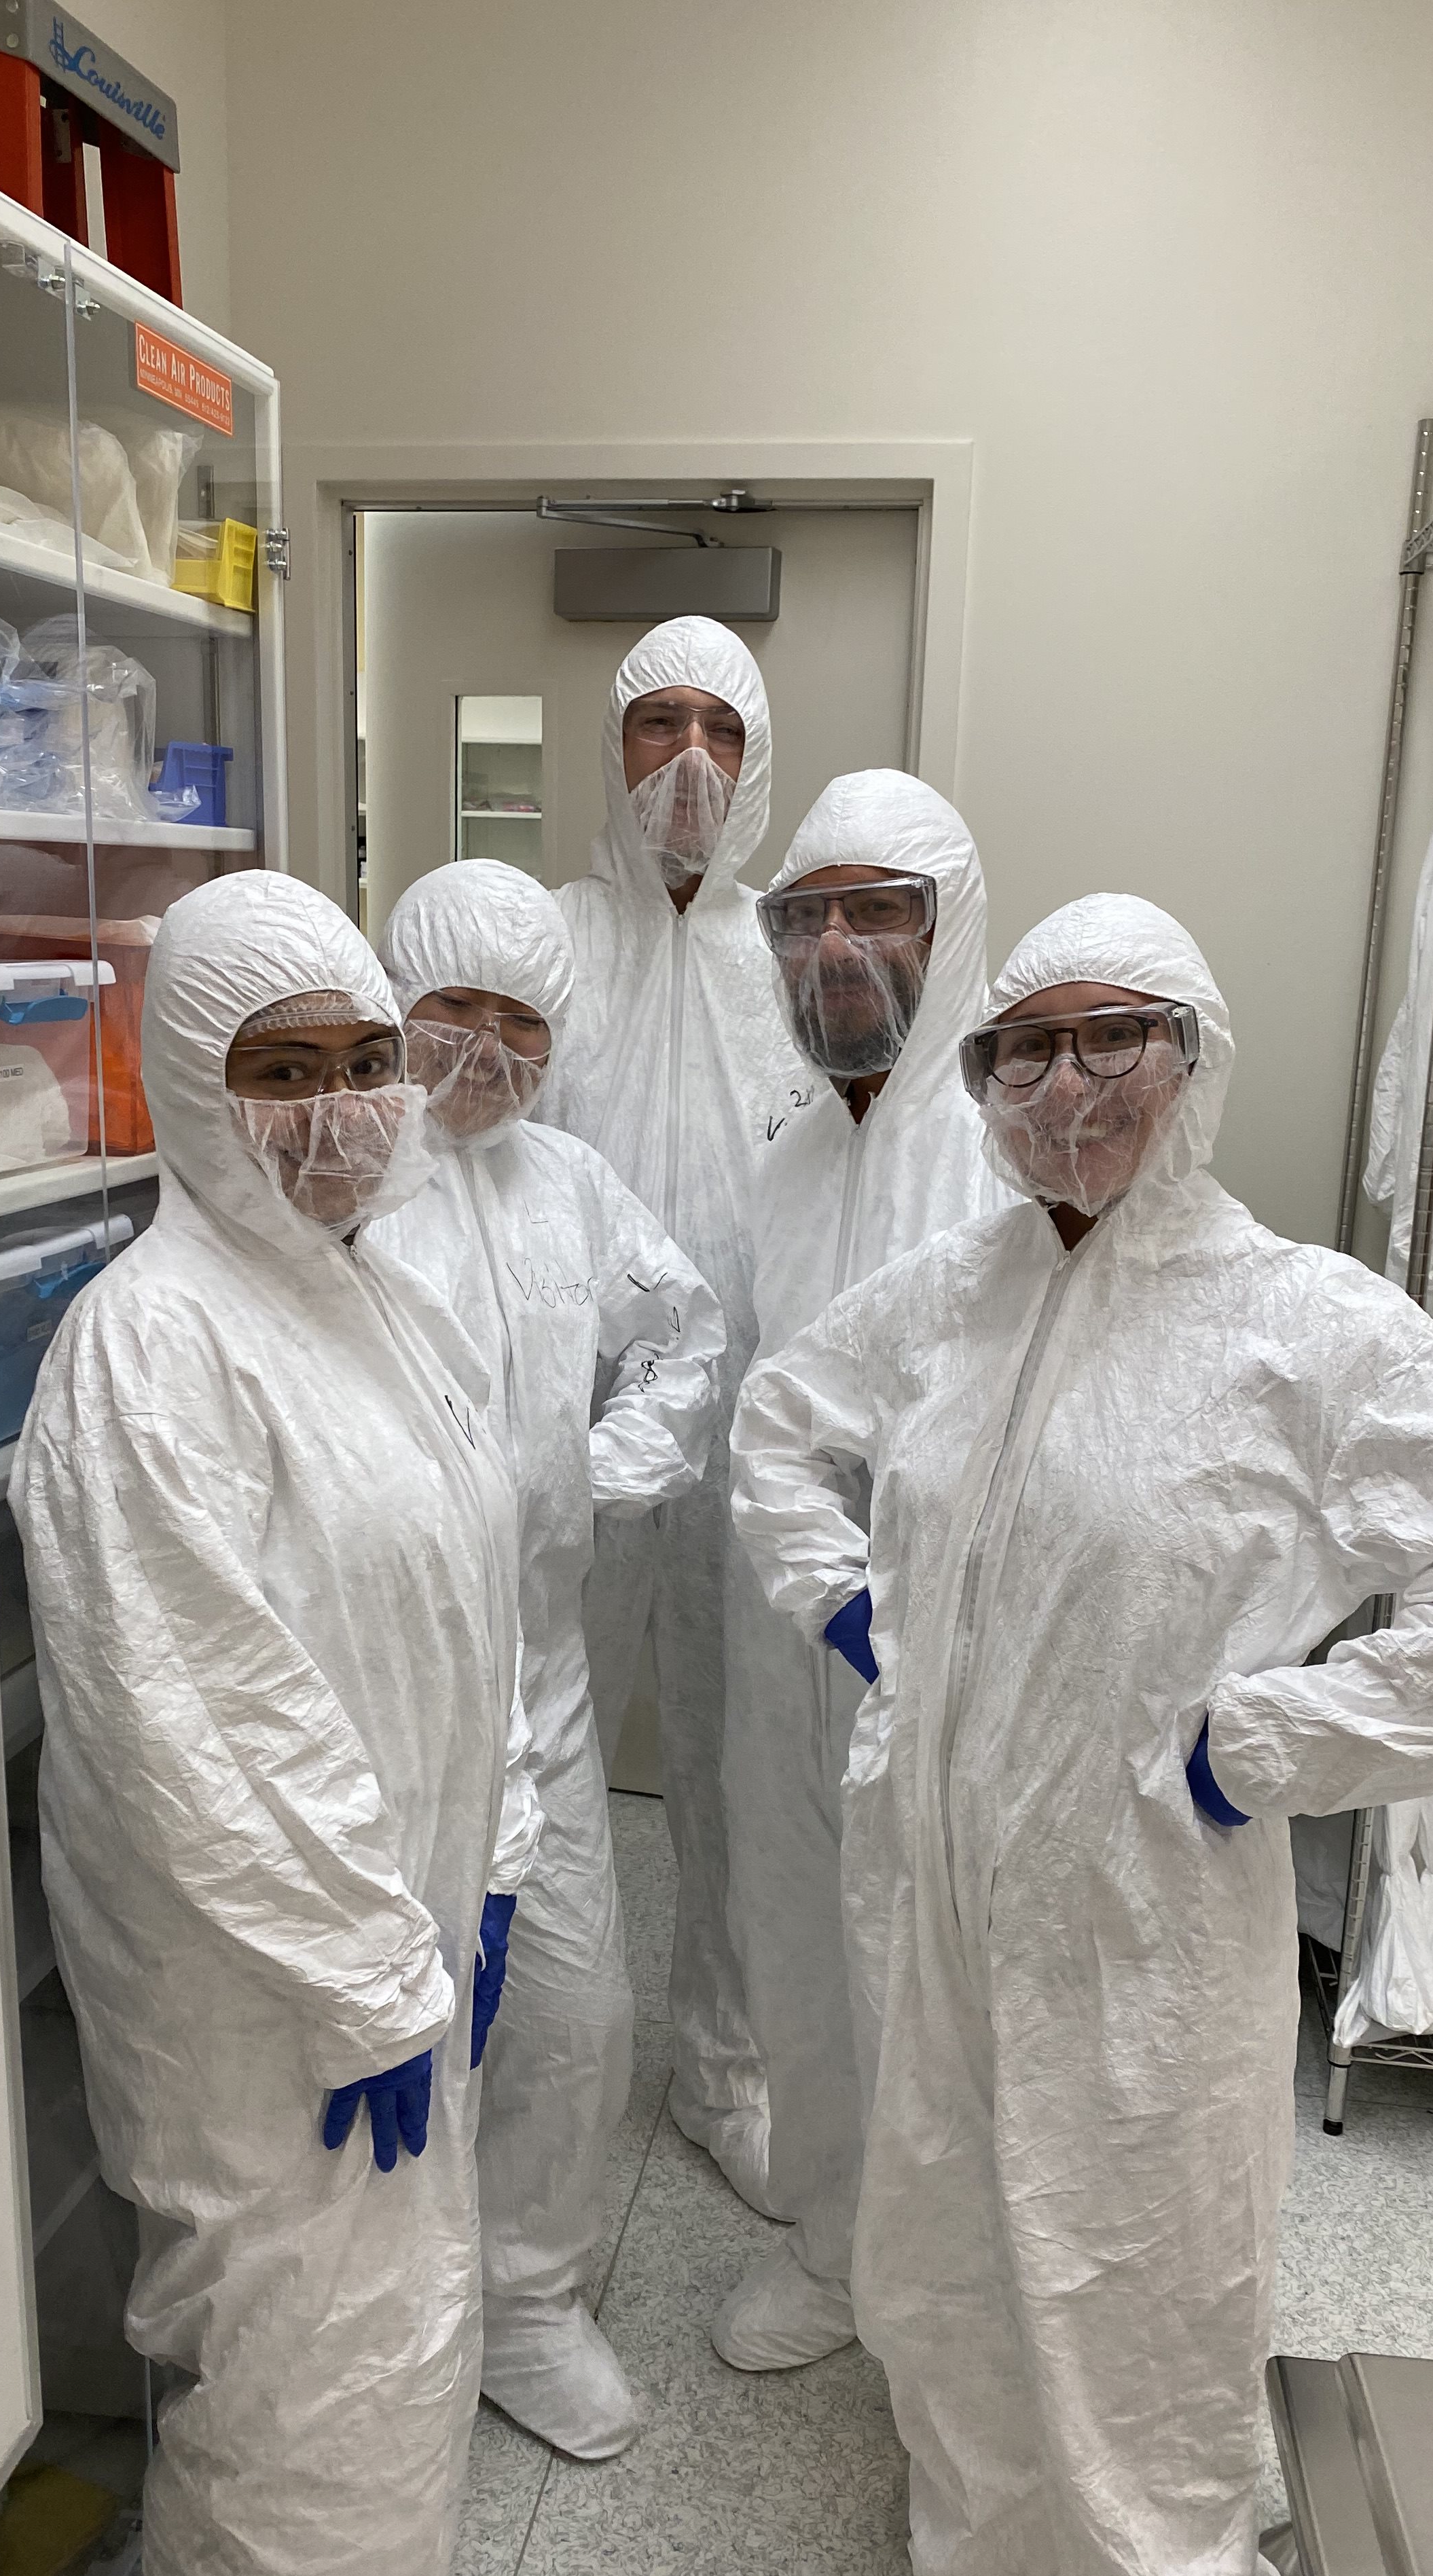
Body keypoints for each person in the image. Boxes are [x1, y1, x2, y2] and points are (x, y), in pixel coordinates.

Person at [731, 894, 1433, 2576]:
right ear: (982, 1083)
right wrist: (847, 1605)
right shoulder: (960, 1284)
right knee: (937, 2267)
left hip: (1145, 1921)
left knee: (1139, 2310)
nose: (1067, 1083)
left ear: (1195, 1056)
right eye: (1025, 1046)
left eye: (1117, 1037)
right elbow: (777, 1421)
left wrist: (1269, 1742)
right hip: (930, 1899)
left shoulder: (1295, 1323)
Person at [12, 871, 541, 2576]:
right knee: (301, 2379)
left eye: (364, 1062)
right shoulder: (145, 1351)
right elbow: (201, 1727)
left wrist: (485, 1869)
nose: (340, 1110)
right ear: (193, 1090)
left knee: (395, 2358)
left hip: (387, 1946)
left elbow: (479, 1616)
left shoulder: (378, 1304)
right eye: (283, 1071)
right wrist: (360, 1972)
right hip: (264, 2002)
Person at [371, 858, 725, 2460]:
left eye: (521, 1023)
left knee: (574, 2016)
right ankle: (393, 2313)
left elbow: (686, 1338)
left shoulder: (571, 1185)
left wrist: (600, 1468)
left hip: (547, 1677)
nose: (486, 1054)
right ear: (397, 1001)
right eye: (454, 1012)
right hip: (383, 1688)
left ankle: (525, 2299)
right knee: (393, 2020)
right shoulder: (338, 1189)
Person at [714, 770, 1005, 2374]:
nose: (834, 946)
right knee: (798, 1941)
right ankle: (831, 2249)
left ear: (943, 930)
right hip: (784, 1639)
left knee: (929, 1975)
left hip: (939, 1649)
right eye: (804, 915)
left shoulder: (1002, 1159)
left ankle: (938, 2300)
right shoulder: (782, 1166)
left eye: (875, 910)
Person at [543, 612, 801, 2213]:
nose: (687, 761)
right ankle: (532, 2064)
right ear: (615, 748)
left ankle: (723, 2065)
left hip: (750, 1423)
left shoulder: (796, 954)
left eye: (719, 726)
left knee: (736, 1759)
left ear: (757, 753)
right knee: (545, 1741)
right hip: (562, 1432)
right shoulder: (553, 943)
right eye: (657, 725)